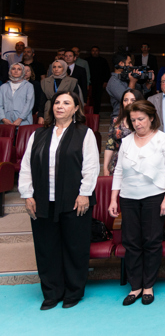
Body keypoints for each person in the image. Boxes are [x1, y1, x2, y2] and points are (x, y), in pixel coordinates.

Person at [19, 91, 99, 310]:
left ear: (76, 108)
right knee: (46, 248)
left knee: (75, 247)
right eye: (57, 102)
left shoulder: (85, 133)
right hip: (43, 200)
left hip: (74, 200)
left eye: (66, 103)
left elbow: (91, 166)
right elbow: (26, 166)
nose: (60, 106)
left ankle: (73, 292)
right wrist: (27, 194)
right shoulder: (38, 134)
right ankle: (51, 293)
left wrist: (85, 193)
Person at [108, 100, 165, 306]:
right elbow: (118, 171)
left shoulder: (164, 140)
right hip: (128, 197)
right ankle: (135, 286)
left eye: (141, 119)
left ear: (151, 118)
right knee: (131, 242)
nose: (137, 123)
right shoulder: (127, 141)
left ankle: (148, 285)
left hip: (154, 196)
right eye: (133, 120)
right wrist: (113, 198)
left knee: (151, 241)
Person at [103, 89, 144, 175]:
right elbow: (110, 145)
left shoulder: (144, 121)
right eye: (126, 100)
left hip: (138, 163)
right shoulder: (116, 121)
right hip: (117, 163)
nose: (129, 103)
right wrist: (105, 167)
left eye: (133, 100)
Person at [86, 46, 110, 114]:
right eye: (93, 50)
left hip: (100, 83)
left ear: (99, 52)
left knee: (98, 99)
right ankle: (89, 113)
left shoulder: (103, 60)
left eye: (96, 50)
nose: (95, 52)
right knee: (89, 98)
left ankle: (96, 113)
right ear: (91, 52)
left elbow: (107, 71)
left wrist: (106, 81)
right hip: (90, 83)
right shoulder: (87, 60)